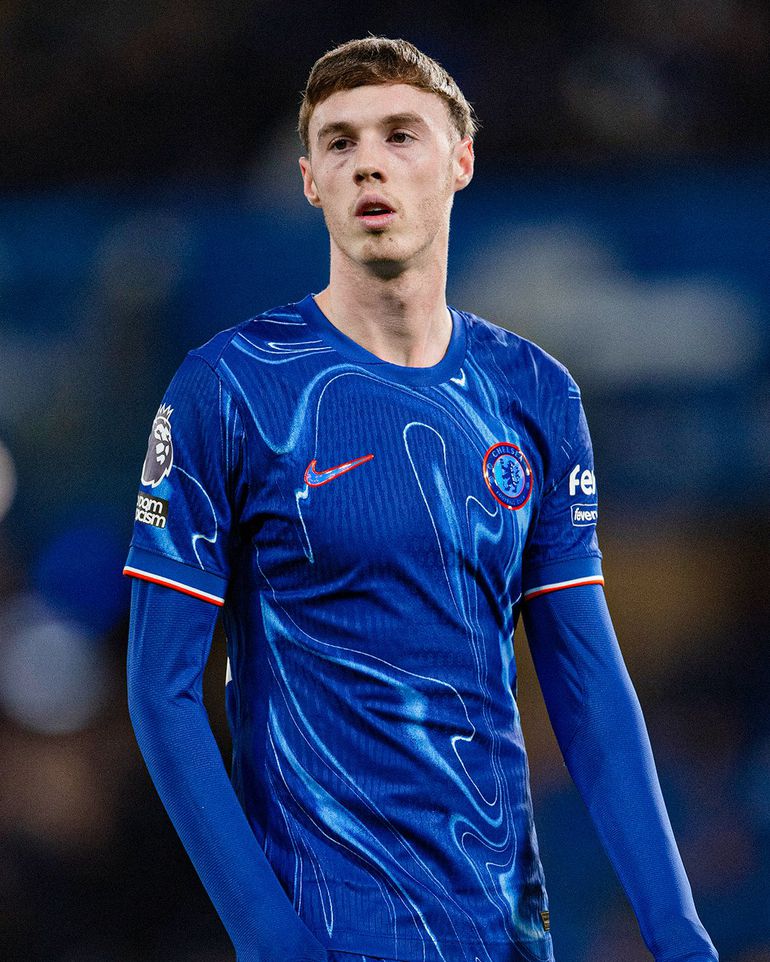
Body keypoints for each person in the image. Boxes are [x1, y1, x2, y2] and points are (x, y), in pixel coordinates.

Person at [124, 36, 718, 962]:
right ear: (311, 181)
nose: (369, 161)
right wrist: (272, 940)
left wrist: (678, 934)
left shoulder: (535, 392)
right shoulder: (230, 390)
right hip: (334, 929)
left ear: (460, 161)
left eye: (401, 134)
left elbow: (587, 683)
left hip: (508, 930)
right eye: (340, 141)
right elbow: (160, 691)